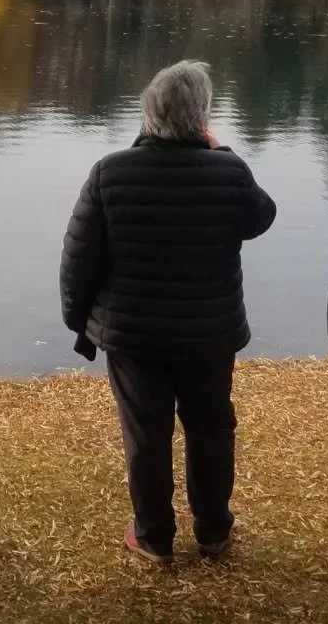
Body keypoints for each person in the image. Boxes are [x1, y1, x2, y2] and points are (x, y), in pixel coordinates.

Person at [60, 60, 276, 565]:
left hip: (134, 337)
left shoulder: (110, 172)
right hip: (210, 333)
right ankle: (214, 531)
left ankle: (154, 536)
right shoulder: (229, 172)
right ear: (202, 118)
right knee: (212, 428)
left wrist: (80, 323)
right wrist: (220, 148)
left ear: (147, 113)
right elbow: (260, 217)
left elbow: (77, 261)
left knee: (146, 435)